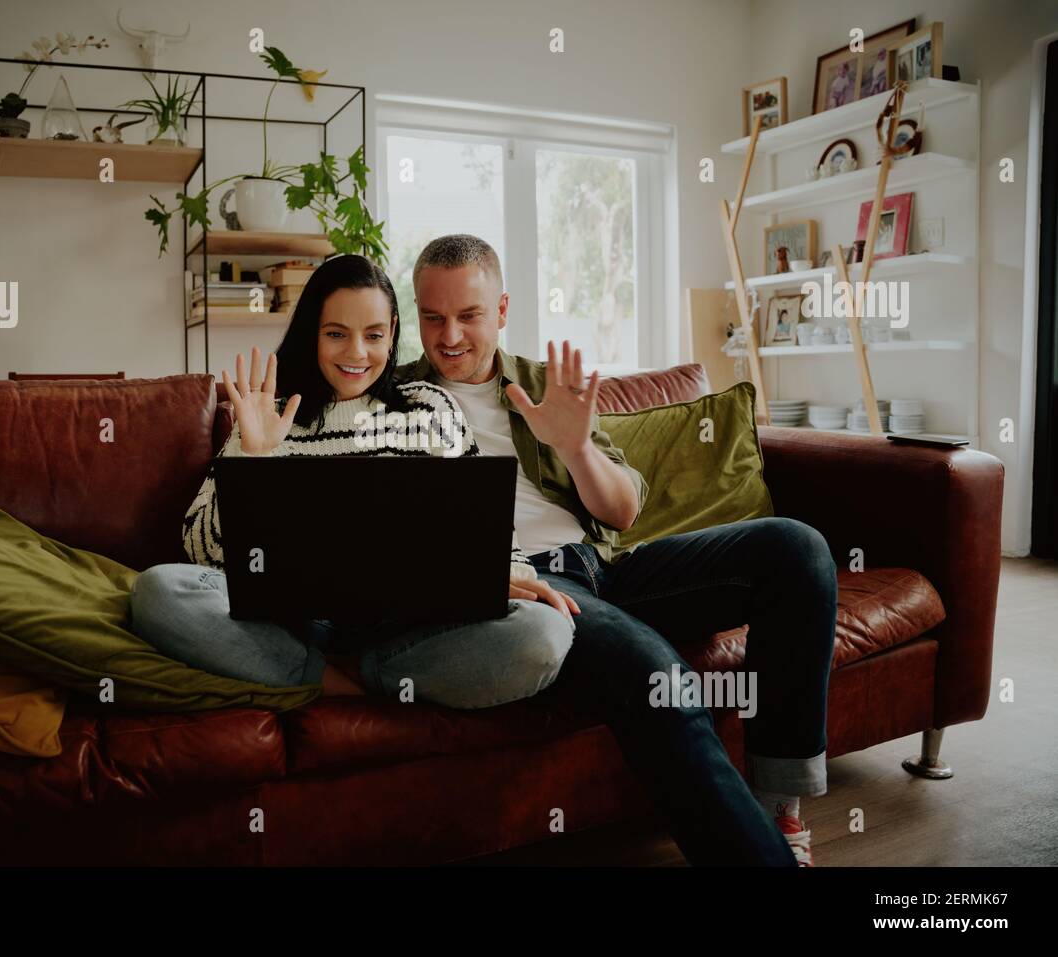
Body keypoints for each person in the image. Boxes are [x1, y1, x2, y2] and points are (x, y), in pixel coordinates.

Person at [397, 234, 838, 866]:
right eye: (432, 317)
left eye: (468, 315)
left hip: (604, 567)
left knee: (797, 551)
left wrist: (576, 448)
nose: (449, 337)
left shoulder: (546, 386)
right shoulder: (390, 402)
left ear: (501, 310)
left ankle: (779, 807)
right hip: (530, 589)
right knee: (660, 677)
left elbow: (623, 510)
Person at [130, 254, 578, 710]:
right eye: (336, 334)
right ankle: (337, 678)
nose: (356, 353)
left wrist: (511, 574)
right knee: (158, 592)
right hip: (290, 627)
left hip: (409, 629)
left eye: (374, 335)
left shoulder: (429, 408)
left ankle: (351, 676)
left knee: (543, 634)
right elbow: (198, 552)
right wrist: (254, 454)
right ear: (312, 334)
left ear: (393, 332)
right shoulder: (267, 415)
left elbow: (492, 532)